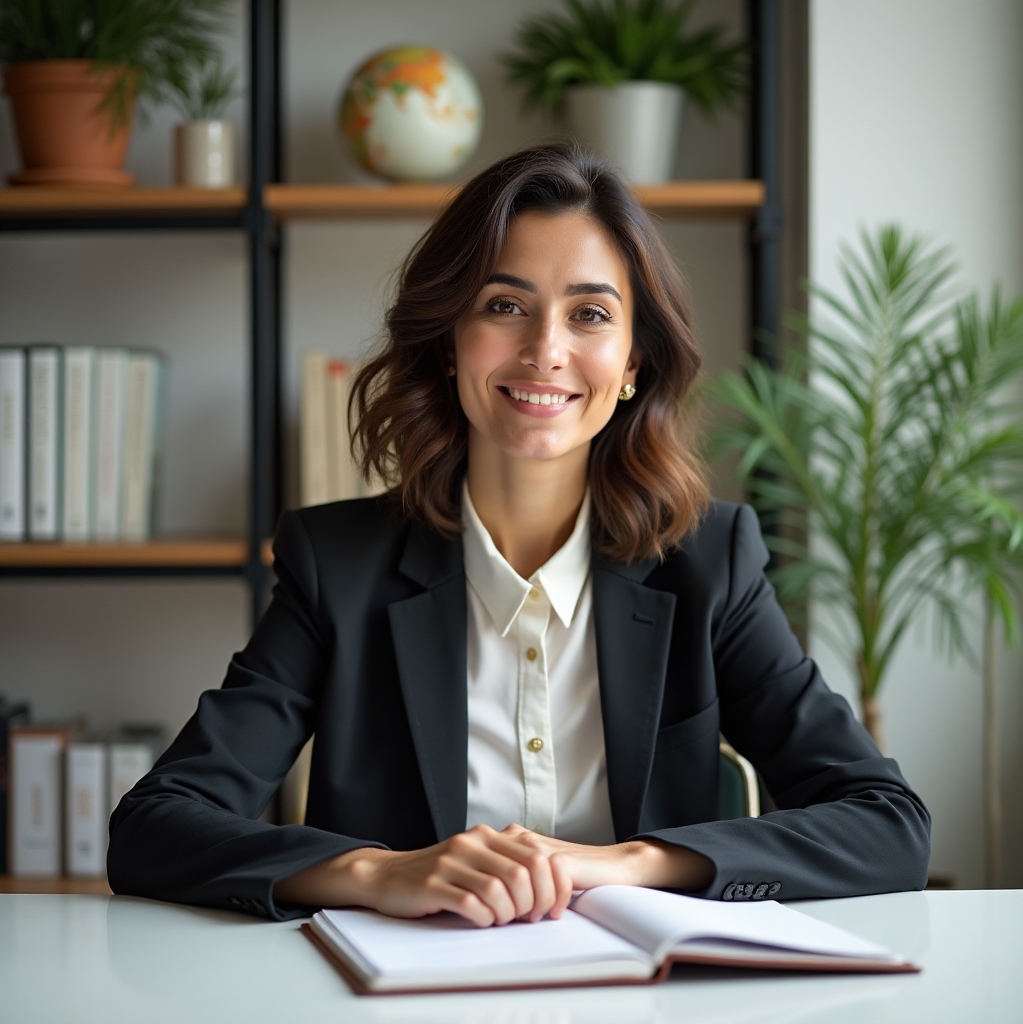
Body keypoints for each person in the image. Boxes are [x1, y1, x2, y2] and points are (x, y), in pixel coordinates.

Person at [107, 146, 930, 926]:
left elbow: (888, 824)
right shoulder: (340, 568)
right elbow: (154, 827)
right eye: (505, 307)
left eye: (590, 315)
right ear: (449, 344)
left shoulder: (710, 563)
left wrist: (618, 864)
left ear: (634, 362)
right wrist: (379, 872)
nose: (546, 351)